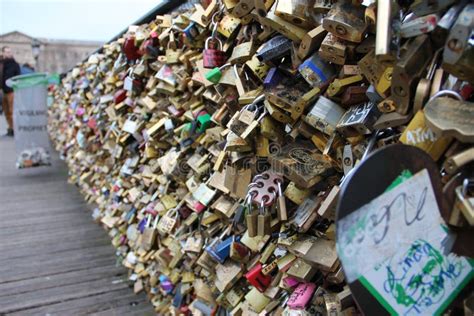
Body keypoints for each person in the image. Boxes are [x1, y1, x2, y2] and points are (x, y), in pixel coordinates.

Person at [1, 46, 20, 136]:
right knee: (6, 111)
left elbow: (18, 77)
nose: (9, 53)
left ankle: (14, 129)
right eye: (7, 52)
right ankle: (10, 127)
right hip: (2, 90)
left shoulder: (14, 64)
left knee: (12, 111)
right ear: (3, 53)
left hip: (12, 90)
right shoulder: (1, 64)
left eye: (10, 52)